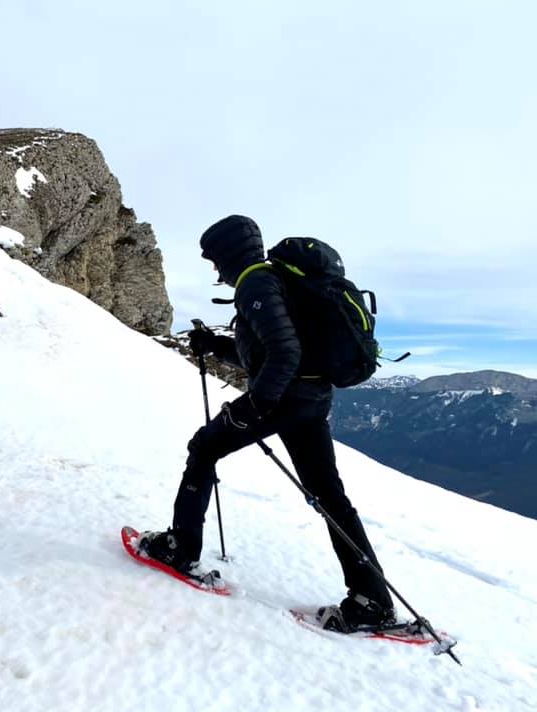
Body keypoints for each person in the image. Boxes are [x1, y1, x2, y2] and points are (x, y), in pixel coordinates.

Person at [139, 214, 395, 631]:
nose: (214, 270)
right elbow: (267, 352)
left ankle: (179, 548)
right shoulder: (279, 283)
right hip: (312, 399)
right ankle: (373, 600)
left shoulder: (256, 283)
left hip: (283, 400)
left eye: (213, 260)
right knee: (329, 495)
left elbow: (282, 353)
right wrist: (217, 345)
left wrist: (256, 406)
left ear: (227, 254)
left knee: (203, 448)